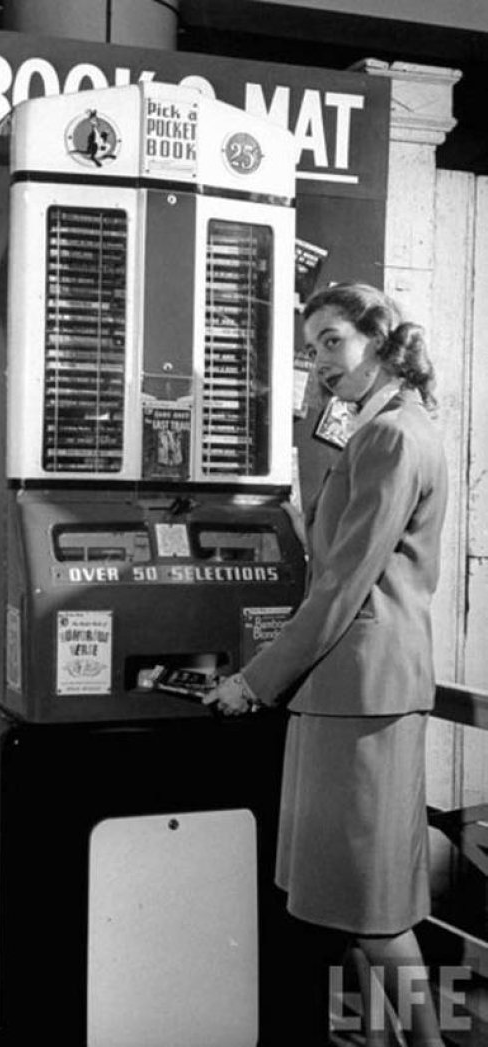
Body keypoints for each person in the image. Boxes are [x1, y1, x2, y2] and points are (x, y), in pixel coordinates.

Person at [204, 282, 449, 1046]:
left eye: (333, 340)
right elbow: (331, 544)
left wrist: (253, 681)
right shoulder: (376, 427)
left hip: (360, 690)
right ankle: (379, 1040)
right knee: (349, 903)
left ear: (379, 337)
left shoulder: (392, 437)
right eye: (311, 348)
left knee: (373, 911)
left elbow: (342, 580)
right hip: (344, 689)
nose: (319, 360)